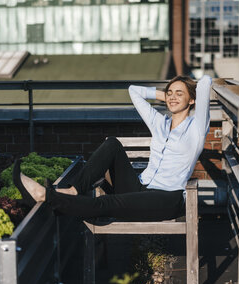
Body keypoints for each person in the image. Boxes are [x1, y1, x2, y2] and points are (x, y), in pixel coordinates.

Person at [13, 75, 212, 221]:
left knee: (108, 203)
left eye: (180, 94)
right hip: (140, 186)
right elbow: (134, 90)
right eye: (170, 93)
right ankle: (74, 190)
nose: (172, 97)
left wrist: (180, 94)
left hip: (167, 198)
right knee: (112, 143)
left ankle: (46, 196)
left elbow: (205, 82)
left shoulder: (196, 130)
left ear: (192, 100)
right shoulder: (159, 123)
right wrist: (167, 96)